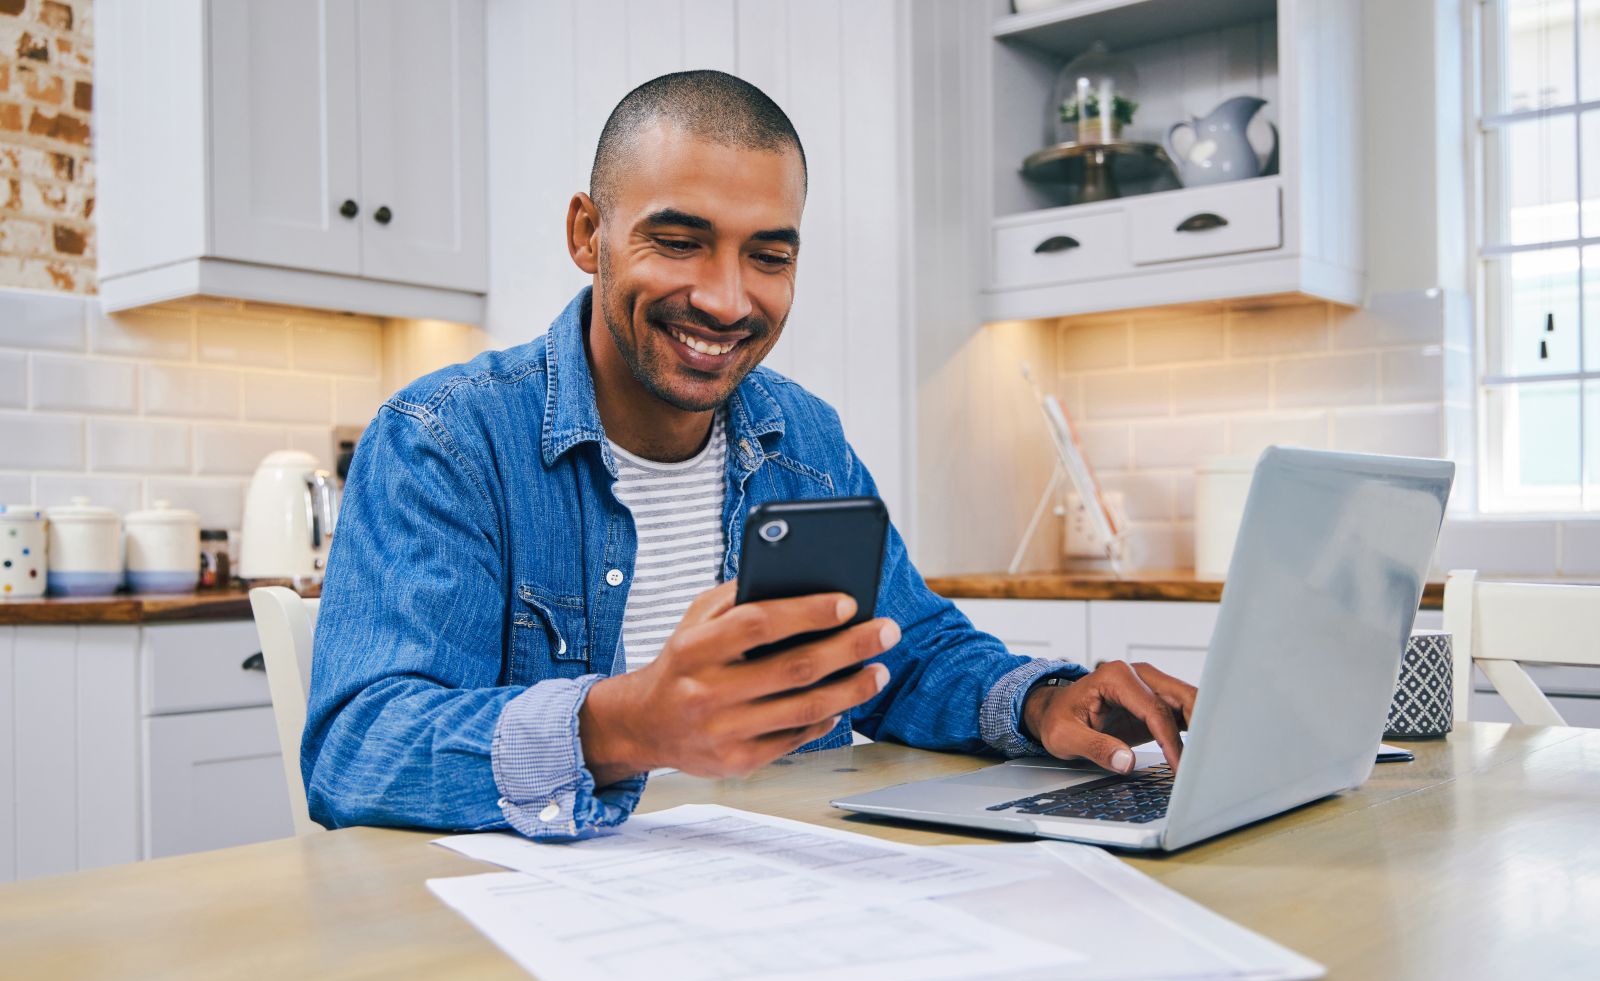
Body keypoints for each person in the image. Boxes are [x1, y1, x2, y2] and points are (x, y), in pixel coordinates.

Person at [303, 71, 1197, 839]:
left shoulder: (802, 438)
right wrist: (625, 726)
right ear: (589, 234)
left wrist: (1045, 703)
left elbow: (904, 652)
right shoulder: (446, 440)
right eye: (680, 241)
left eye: (768, 255)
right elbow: (359, 749)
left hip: (780, 894)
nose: (728, 299)